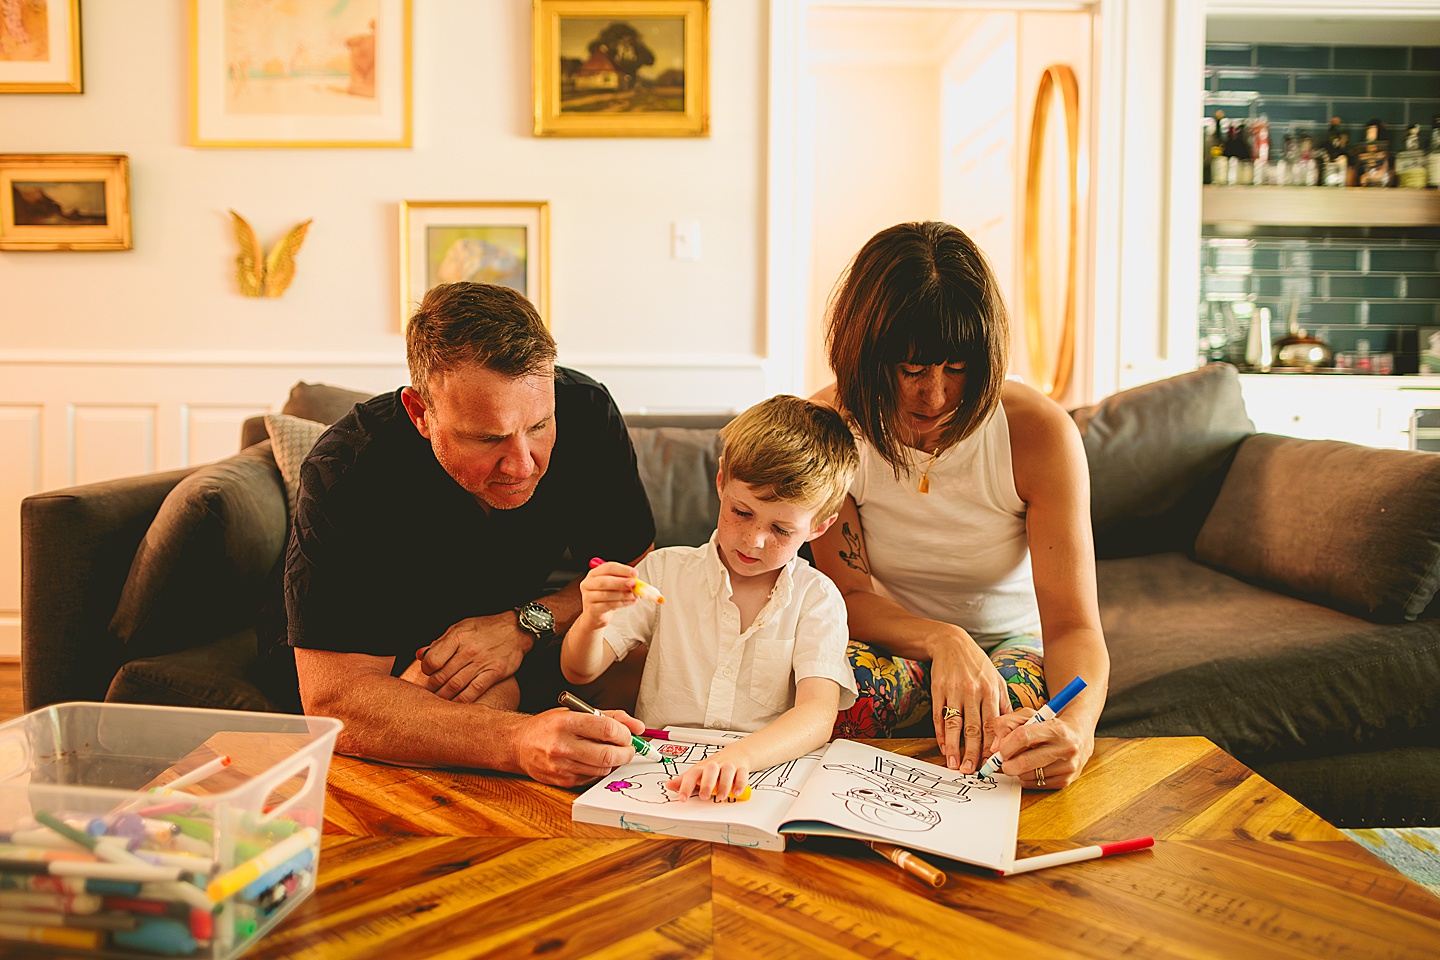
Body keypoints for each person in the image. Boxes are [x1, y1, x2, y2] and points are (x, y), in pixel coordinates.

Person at [275, 281, 657, 786]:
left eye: (540, 426)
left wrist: (525, 624)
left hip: (508, 644)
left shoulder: (586, 410)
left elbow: (630, 565)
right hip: (382, 666)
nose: (523, 465)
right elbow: (336, 702)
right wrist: (519, 742)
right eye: (488, 438)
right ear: (420, 414)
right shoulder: (349, 468)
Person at [810, 221, 1110, 790]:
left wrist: (1076, 733)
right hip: (888, 640)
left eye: (957, 367)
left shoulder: (1038, 432)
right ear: (868, 359)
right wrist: (944, 639)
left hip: (1012, 647)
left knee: (1008, 734)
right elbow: (848, 596)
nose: (936, 396)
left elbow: (1073, 625)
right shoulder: (832, 427)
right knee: (822, 702)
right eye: (911, 368)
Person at [561, 395, 861, 802]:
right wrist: (593, 619)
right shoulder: (664, 572)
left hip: (761, 772)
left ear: (820, 526)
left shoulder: (817, 598)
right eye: (742, 512)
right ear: (721, 481)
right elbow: (580, 672)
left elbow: (818, 714)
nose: (754, 540)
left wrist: (739, 757)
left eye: (781, 530)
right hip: (656, 769)